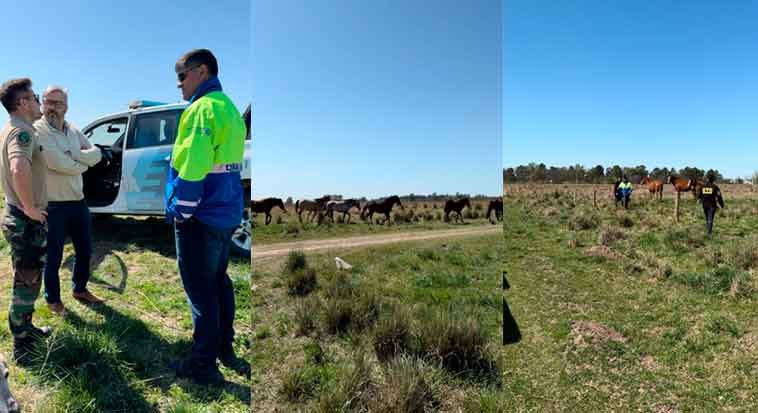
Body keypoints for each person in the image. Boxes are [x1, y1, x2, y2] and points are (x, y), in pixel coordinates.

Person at [165, 48, 250, 384]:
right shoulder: (228, 108)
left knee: (201, 292)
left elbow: (194, 166)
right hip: (225, 212)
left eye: (181, 77)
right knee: (218, 282)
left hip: (200, 216)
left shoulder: (200, 110)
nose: (179, 85)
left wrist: (183, 214)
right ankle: (224, 348)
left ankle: (202, 364)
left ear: (201, 71)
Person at [34, 86, 104, 315]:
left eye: (59, 103)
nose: (54, 107)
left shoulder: (73, 129)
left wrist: (75, 157)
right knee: (54, 256)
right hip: (53, 204)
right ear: (42, 103)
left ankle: (80, 289)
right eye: (49, 102)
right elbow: (56, 163)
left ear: (67, 106)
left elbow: (98, 153)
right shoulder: (39, 129)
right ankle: (53, 299)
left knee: (85, 250)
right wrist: (83, 163)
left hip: (78, 201)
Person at [0, 78, 52, 364]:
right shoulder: (22, 132)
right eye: (34, 97)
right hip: (25, 221)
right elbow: (19, 167)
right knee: (26, 282)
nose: (38, 101)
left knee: (28, 279)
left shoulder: (11, 129)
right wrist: (31, 208)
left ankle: (26, 328)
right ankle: (21, 346)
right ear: (22, 103)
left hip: (18, 216)